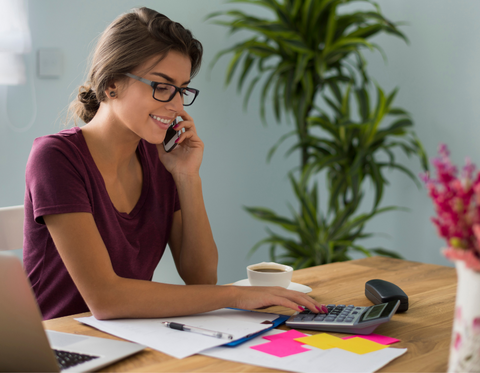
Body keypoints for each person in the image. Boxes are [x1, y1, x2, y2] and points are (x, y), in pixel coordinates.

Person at [23, 7, 327, 320]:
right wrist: (237, 294)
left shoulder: (161, 159)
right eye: (162, 86)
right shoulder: (55, 158)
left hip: (130, 336)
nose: (177, 105)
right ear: (112, 83)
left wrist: (186, 176)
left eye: (182, 89)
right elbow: (106, 299)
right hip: (57, 347)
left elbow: (201, 278)